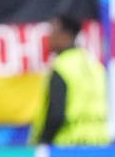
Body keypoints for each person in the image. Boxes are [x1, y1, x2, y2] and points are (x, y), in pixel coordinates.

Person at [29, 15, 109, 147]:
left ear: (66, 35)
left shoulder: (62, 67)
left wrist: (42, 143)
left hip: (67, 147)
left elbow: (56, 115)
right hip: (99, 144)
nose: (49, 37)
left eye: (53, 31)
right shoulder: (96, 65)